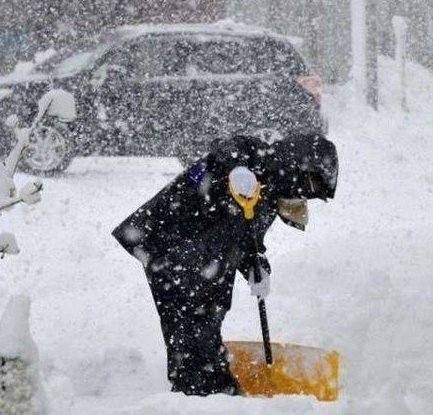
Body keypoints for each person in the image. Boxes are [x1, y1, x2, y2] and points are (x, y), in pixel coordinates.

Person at [112, 134, 338, 396]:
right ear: (298, 163)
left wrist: (256, 265)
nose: (305, 194)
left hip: (198, 255)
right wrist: (238, 168)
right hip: (172, 243)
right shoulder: (255, 156)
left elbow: (247, 239)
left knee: (200, 319)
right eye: (310, 184)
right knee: (196, 318)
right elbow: (228, 146)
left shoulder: (269, 197)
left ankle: (199, 391)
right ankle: (209, 392)